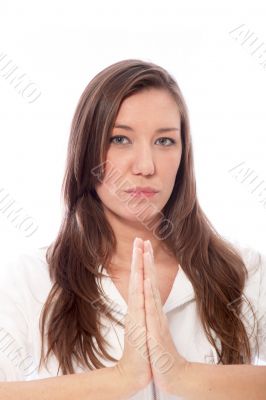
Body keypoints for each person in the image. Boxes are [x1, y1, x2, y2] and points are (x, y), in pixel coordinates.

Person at [0, 58, 265, 400]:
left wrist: (182, 375)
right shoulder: (34, 278)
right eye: (120, 139)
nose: (145, 166)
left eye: (165, 141)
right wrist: (122, 378)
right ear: (86, 151)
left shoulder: (243, 271)